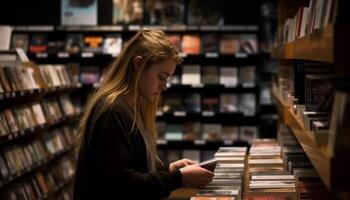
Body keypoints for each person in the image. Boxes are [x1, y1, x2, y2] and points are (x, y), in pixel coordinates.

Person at [73, 29, 214, 200]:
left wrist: (169, 170)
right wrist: (179, 178)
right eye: (161, 77)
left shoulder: (131, 107)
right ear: (138, 64)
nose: (164, 86)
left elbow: (133, 171)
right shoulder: (113, 112)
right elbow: (123, 187)